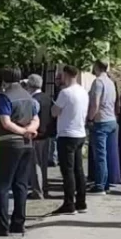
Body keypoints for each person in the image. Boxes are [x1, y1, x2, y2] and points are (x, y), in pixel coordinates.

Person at [0, 68, 39, 236]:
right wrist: (29, 130)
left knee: (2, 185)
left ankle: (2, 224)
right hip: (27, 144)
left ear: (4, 80)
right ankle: (19, 223)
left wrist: (21, 131)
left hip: (8, 143)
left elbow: (5, 122)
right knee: (21, 184)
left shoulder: (5, 96)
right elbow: (36, 119)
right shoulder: (28, 96)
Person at [51, 65, 90, 215]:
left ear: (66, 75)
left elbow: (54, 112)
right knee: (78, 169)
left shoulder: (65, 93)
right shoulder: (83, 91)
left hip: (67, 134)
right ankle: (81, 201)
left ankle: (69, 203)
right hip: (80, 132)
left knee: (67, 171)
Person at [87, 60, 119, 194]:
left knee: (100, 155)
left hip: (101, 121)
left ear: (97, 67)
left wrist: (90, 118)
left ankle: (100, 185)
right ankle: (106, 182)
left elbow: (95, 103)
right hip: (111, 119)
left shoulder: (98, 82)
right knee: (108, 154)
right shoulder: (110, 82)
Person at [26, 74, 54, 199]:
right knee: (43, 164)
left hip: (36, 135)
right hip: (46, 135)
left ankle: (37, 190)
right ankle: (44, 187)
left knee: (35, 164)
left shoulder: (33, 100)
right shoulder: (47, 98)